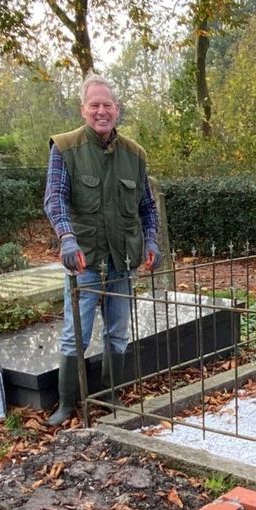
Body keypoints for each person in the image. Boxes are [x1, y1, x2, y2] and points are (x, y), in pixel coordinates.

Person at [43, 74, 160, 426]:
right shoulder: (65, 149)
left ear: (117, 109)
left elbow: (147, 207)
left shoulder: (134, 155)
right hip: (85, 260)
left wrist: (151, 241)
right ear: (83, 109)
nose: (101, 111)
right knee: (74, 333)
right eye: (94, 105)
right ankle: (67, 403)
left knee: (118, 331)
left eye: (107, 104)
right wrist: (66, 238)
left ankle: (111, 397)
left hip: (122, 258)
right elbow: (55, 199)